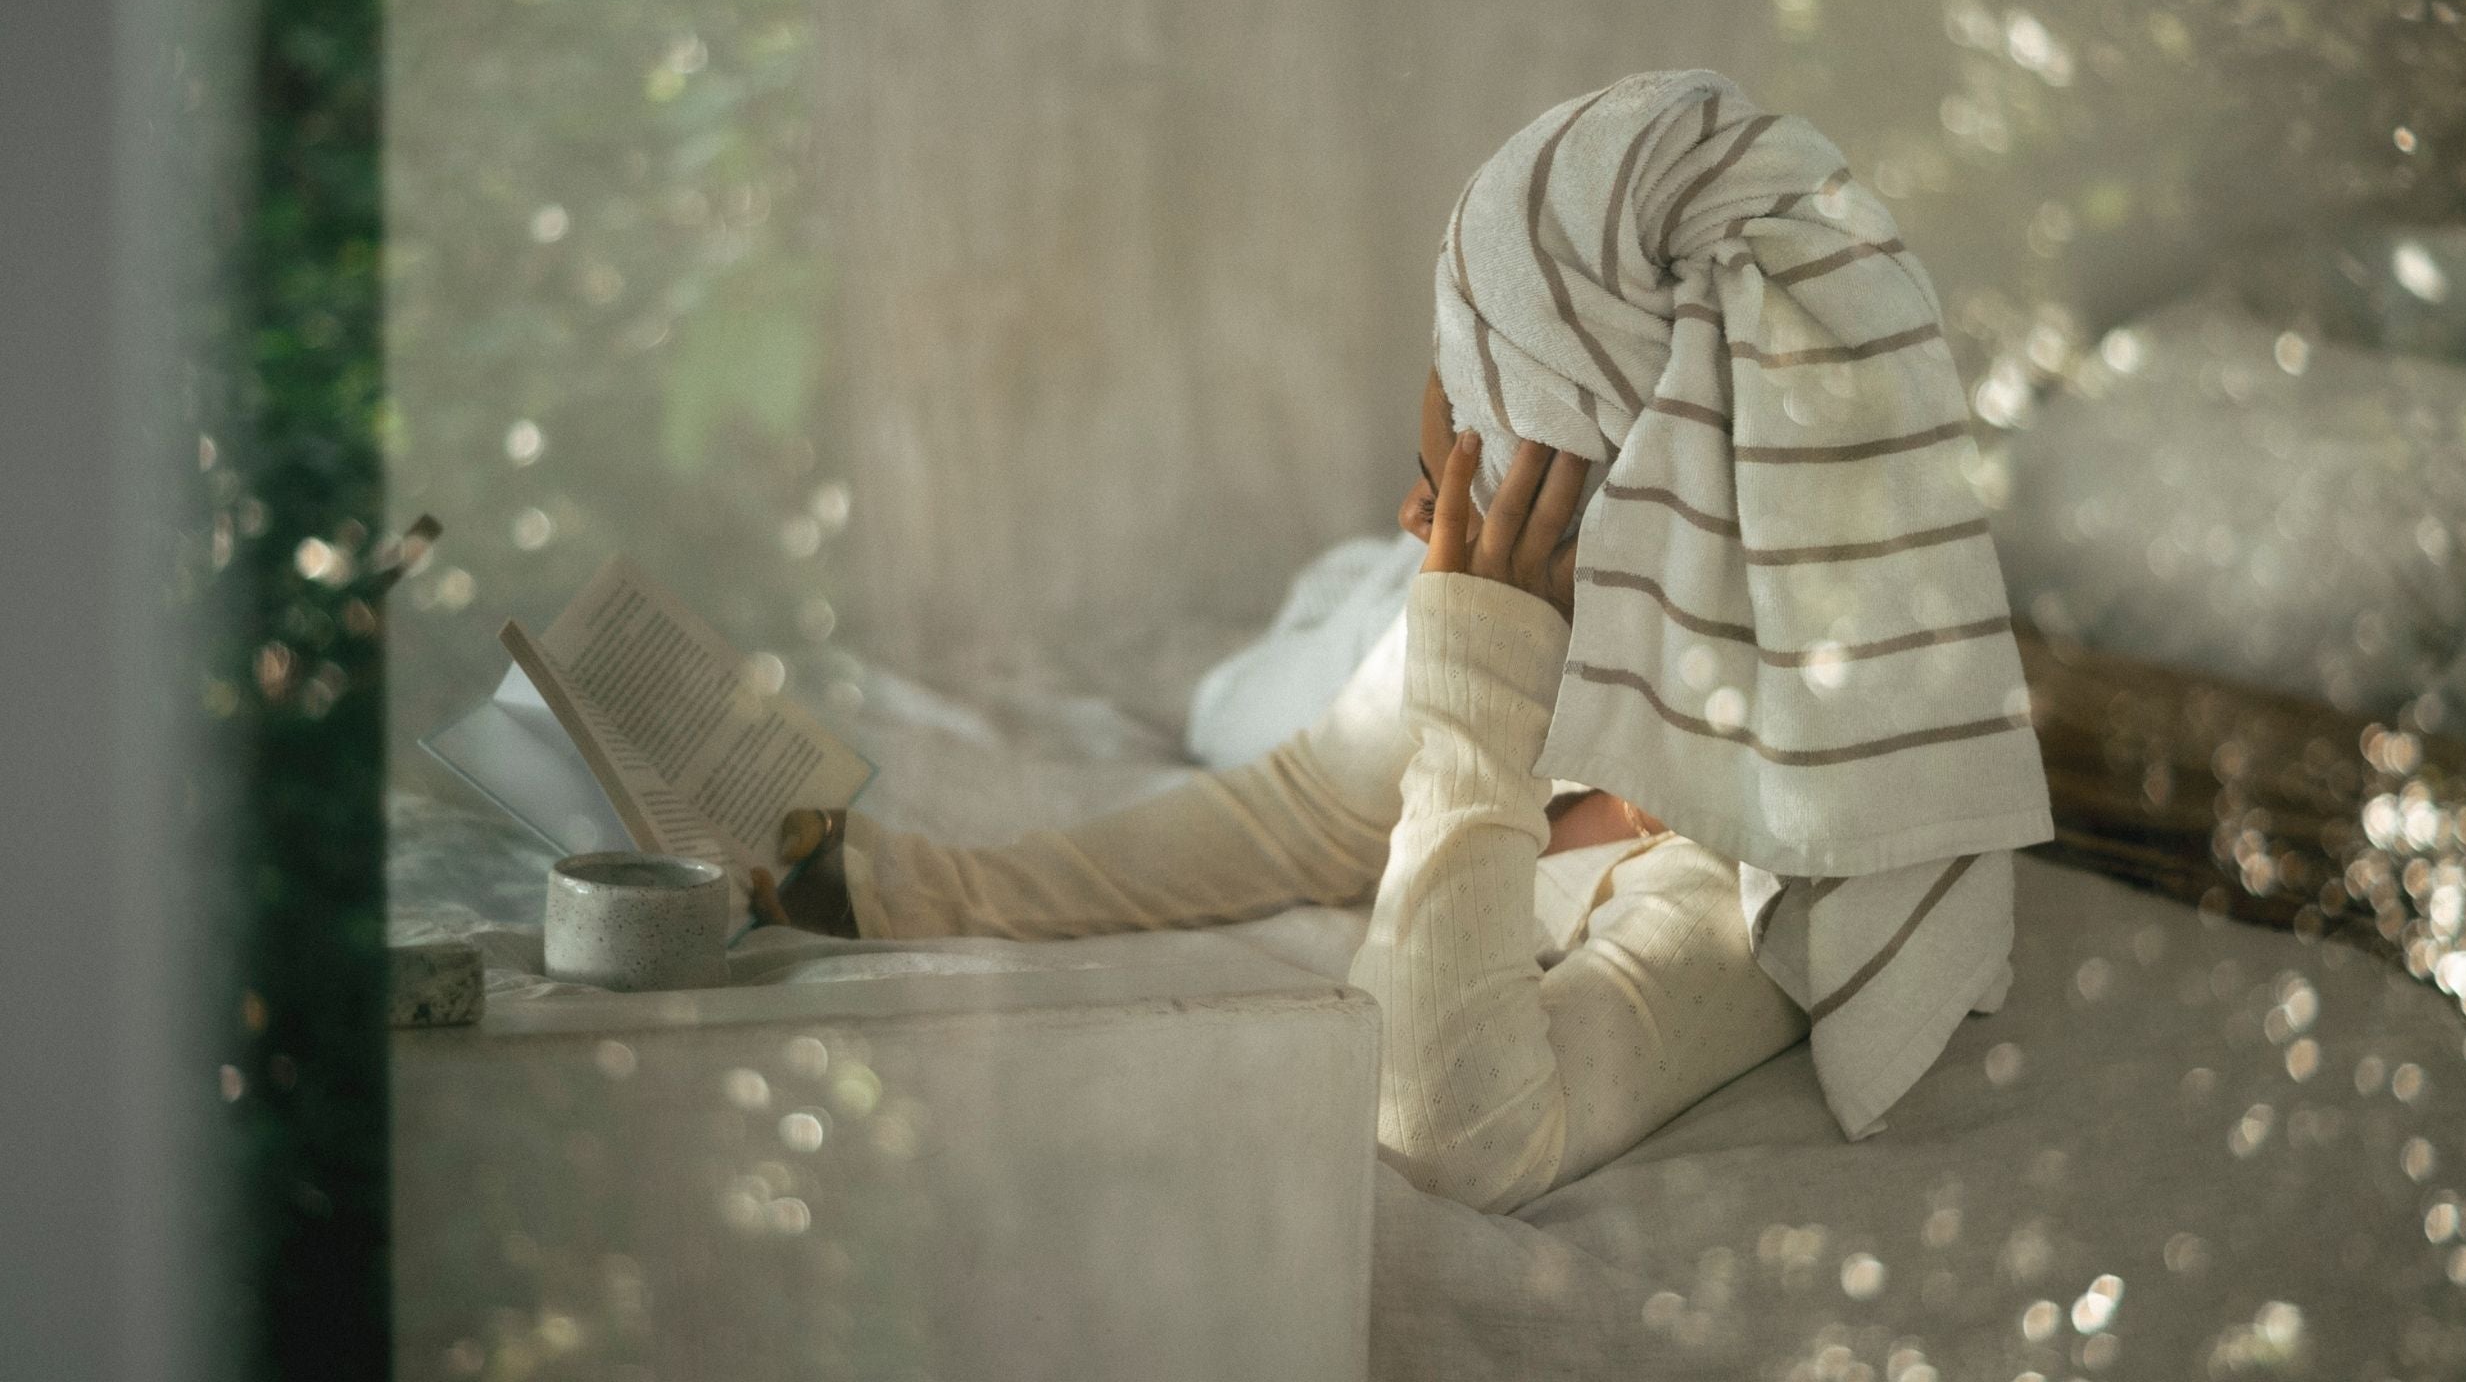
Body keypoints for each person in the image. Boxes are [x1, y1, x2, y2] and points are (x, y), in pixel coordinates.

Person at [748, 361, 1814, 1216]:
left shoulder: (1751, 880)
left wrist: (1485, 678)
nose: (1422, 513)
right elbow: (1305, 806)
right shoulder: (1495, 585)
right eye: (1431, 481)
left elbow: (1450, 1136)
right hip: (1377, 618)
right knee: (1252, 704)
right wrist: (924, 891)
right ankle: (1355, 587)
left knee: (1234, 711)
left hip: (1477, 628)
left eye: (1455, 497)